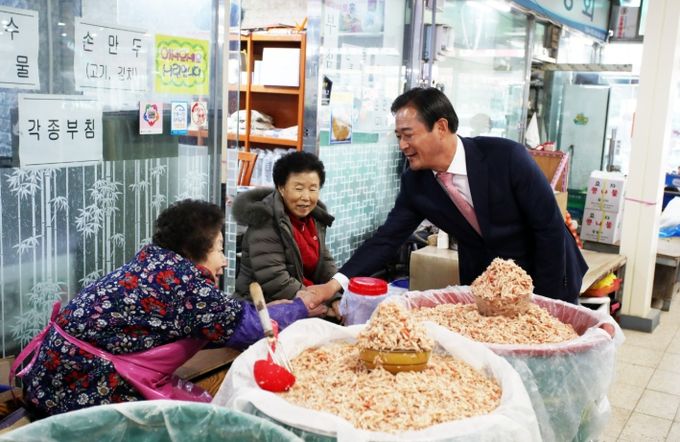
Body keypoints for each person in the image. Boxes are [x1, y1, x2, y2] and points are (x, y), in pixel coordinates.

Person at [11, 199, 326, 417]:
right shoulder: (184, 284)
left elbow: (203, 322)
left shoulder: (154, 260)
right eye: (219, 249)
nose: (224, 261)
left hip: (49, 375)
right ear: (195, 251)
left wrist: (269, 309)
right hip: (78, 388)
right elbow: (251, 328)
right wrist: (301, 305)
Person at [309, 87, 587, 304]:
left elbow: (548, 229)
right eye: (398, 136)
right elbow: (386, 239)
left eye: (408, 135)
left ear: (441, 127)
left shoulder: (506, 157)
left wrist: (546, 301)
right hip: (483, 284)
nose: (402, 145)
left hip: (547, 273)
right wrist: (333, 285)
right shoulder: (416, 182)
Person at [232, 151, 341, 318]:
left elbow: (324, 262)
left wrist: (335, 295)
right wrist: (320, 305)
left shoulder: (314, 218)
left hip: (304, 300)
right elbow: (275, 279)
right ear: (281, 188)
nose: (306, 197)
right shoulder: (265, 220)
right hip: (263, 311)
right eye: (299, 189)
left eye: (313, 189)